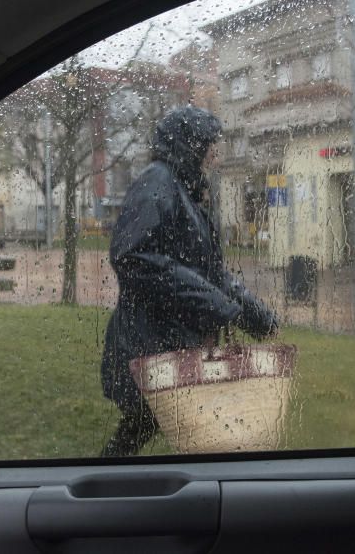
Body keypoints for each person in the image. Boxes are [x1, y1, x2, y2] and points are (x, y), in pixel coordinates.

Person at [100, 105, 279, 457]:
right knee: (177, 427)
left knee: (146, 428)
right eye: (212, 143)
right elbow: (133, 255)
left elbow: (210, 274)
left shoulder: (184, 190)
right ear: (192, 144)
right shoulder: (159, 181)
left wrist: (255, 315)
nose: (218, 152)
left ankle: (110, 483)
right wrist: (217, 306)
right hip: (149, 342)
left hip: (168, 341)